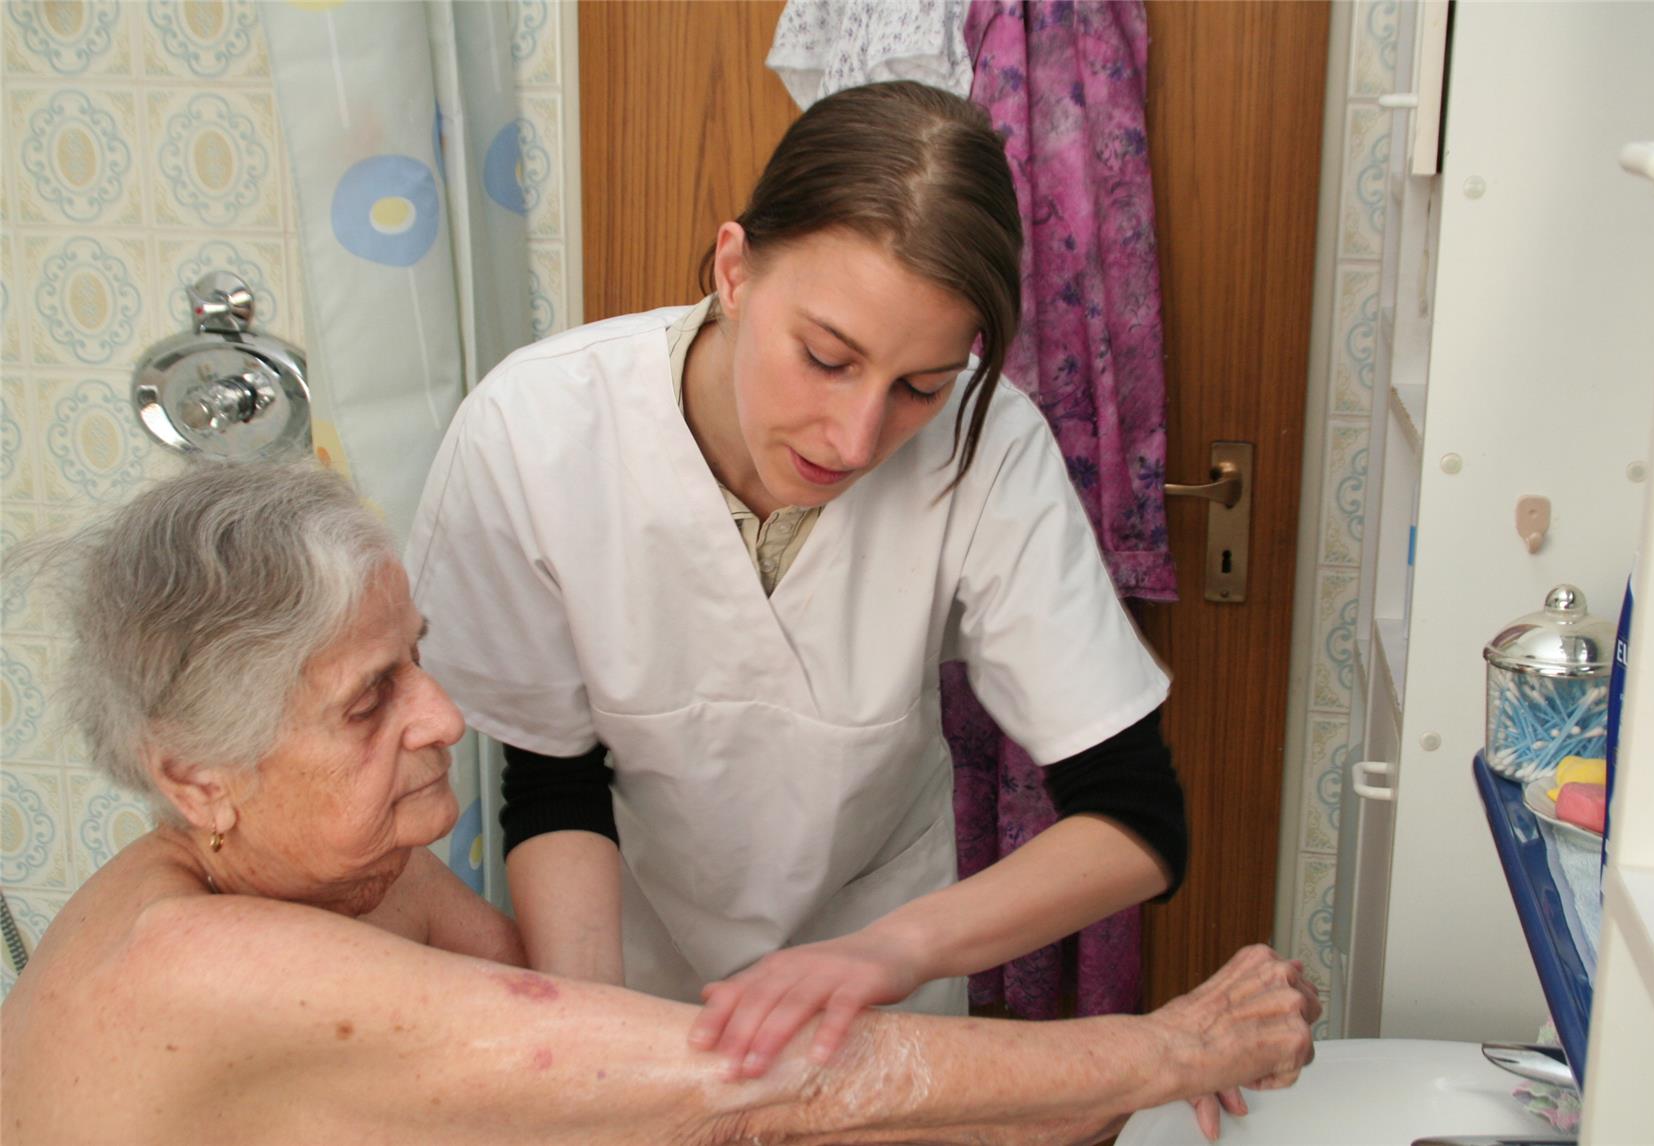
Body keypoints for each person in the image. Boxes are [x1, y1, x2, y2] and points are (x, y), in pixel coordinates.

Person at [0, 461, 1318, 1145]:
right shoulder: (197, 961)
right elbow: (755, 1088)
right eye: (369, 700)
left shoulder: (342, 865)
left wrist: (1039, 1103)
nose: (445, 718)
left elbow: (604, 1094)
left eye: (420, 658)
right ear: (195, 778)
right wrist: (1169, 1051)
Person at [407, 77, 1198, 1090]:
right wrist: (594, 1059)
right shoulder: (538, 429)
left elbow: (1135, 820)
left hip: (876, 998)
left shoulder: (986, 444)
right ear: (734, 271)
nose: (856, 437)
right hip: (629, 974)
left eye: (918, 385)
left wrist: (891, 954)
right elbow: (554, 787)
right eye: (826, 359)